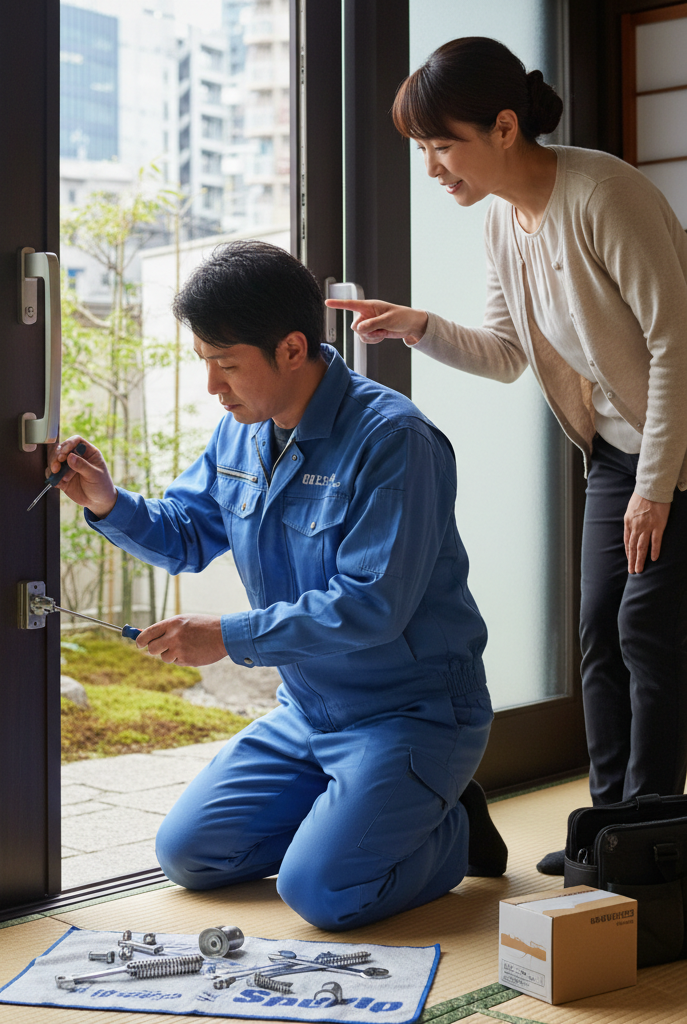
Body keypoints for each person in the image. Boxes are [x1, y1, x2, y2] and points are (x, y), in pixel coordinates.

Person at [48, 239, 507, 931]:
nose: (213, 387)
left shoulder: (395, 442)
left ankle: (448, 830)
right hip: (308, 713)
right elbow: (186, 533)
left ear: (293, 350)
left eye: (226, 366)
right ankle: (368, 814)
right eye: (205, 364)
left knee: (321, 895)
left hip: (410, 715)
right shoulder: (242, 431)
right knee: (189, 856)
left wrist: (228, 637)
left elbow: (370, 606)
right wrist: (108, 501)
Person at [328, 37, 687, 876]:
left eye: (441, 144)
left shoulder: (605, 193)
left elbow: (676, 346)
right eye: (422, 149)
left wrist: (659, 488)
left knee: (647, 629)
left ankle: (652, 842)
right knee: (601, 627)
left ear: (502, 126)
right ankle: (605, 833)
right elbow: (505, 352)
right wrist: (417, 325)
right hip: (617, 452)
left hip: (675, 447)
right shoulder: (502, 218)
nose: (432, 168)